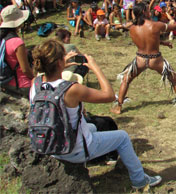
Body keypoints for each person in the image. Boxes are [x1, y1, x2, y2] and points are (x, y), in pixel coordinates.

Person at [30, 39, 162, 190]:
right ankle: (139, 180)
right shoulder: (71, 89)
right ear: (60, 62)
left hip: (51, 146)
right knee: (123, 137)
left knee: (92, 126)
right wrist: (95, 67)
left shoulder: (35, 83)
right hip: (74, 149)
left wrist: (60, 65)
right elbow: (110, 95)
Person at [111, 3, 176, 114]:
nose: (150, 12)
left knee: (126, 80)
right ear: (144, 12)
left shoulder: (131, 27)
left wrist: (163, 43)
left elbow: (147, 39)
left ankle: (118, 107)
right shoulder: (155, 25)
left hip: (140, 60)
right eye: (148, 10)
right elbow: (173, 27)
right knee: (174, 80)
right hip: (156, 60)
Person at [0, 5, 34, 97]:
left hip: (6, 81)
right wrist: (36, 79)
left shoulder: (3, 39)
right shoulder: (17, 42)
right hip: (22, 84)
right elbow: (25, 69)